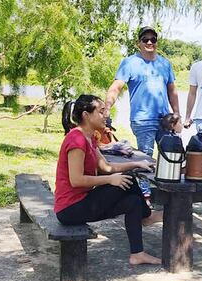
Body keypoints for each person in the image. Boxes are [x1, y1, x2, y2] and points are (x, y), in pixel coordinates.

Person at [54, 95, 163, 266]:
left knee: (132, 201)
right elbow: (76, 180)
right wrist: (110, 180)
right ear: (86, 115)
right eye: (101, 111)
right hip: (70, 208)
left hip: (82, 201)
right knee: (128, 182)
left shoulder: (89, 138)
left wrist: (136, 163)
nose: (106, 115)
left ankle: (137, 254)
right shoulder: (76, 140)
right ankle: (147, 217)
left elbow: (106, 167)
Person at [105, 26, 179, 196]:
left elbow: (172, 91)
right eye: (145, 39)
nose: (149, 42)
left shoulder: (165, 63)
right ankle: (145, 197)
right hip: (142, 119)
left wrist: (177, 115)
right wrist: (107, 106)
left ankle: (166, 193)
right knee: (145, 158)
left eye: (153, 39)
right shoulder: (129, 62)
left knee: (170, 155)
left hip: (165, 119)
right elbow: (116, 87)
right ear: (138, 43)